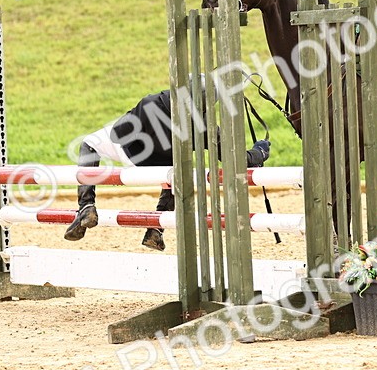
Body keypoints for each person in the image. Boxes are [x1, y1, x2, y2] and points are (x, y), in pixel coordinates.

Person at [64, 88, 272, 251]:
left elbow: (118, 134)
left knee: (89, 143)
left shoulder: (151, 102)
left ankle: (86, 206)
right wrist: (259, 152)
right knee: (179, 166)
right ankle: (155, 229)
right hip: (164, 168)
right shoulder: (205, 126)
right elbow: (236, 160)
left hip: (126, 150)